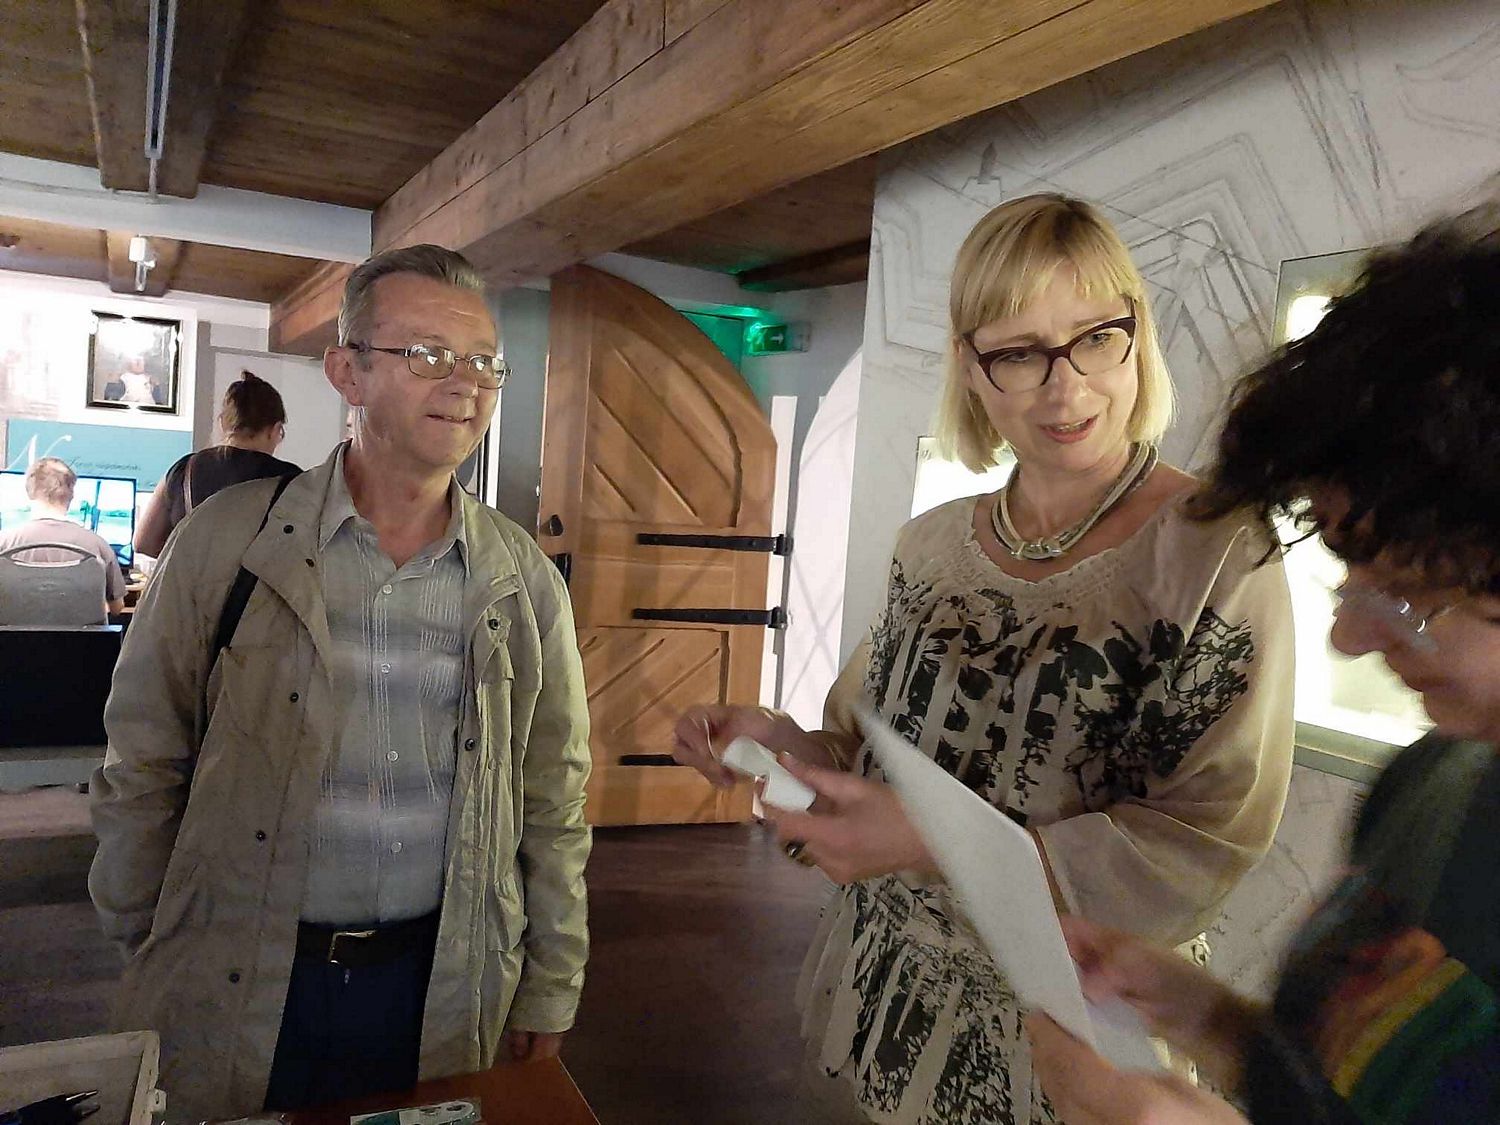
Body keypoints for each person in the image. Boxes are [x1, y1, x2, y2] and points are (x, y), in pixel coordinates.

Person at [673, 194, 1297, 1123]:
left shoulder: (1215, 549)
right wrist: (783, 743)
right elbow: (867, 744)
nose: (1065, 388)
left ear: (1137, 335)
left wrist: (935, 841)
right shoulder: (932, 546)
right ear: (971, 366)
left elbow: (1204, 836)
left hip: (1071, 1023)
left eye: (1096, 338)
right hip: (890, 986)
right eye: (1020, 353)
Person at [88, 244, 593, 1120]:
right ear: (346, 372)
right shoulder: (227, 543)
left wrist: (552, 978)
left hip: (441, 985)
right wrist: (147, 934)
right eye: (428, 354)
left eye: (484, 361)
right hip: (245, 970)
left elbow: (553, 795)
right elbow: (144, 753)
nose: (465, 383)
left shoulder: (521, 579)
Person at [1028, 204, 1500, 1123]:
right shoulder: (1431, 783)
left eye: (1412, 591)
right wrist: (1208, 1019)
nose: (1349, 637)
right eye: (1351, 575)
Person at [135, 370, 300, 557]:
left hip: (191, 575)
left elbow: (143, 543)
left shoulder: (185, 469)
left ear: (223, 423)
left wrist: (186, 560)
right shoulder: (293, 480)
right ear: (275, 430)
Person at [0, 456, 125, 615]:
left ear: (29, 492)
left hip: (15, 632)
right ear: (71, 494)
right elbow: (116, 608)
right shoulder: (98, 545)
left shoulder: (4, 543)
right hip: (81, 632)